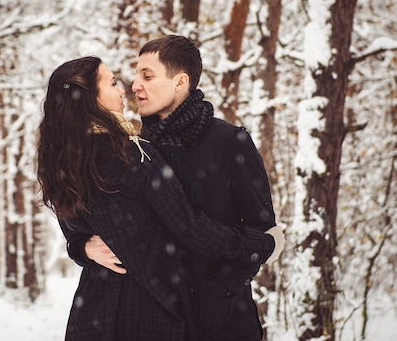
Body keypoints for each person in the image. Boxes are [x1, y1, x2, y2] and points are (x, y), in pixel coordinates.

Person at [37, 56, 283, 341]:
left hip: (93, 313)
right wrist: (264, 243)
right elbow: (191, 229)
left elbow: (76, 233)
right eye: (113, 83)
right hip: (148, 312)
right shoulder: (134, 155)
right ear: (90, 99)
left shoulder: (62, 162)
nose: (124, 90)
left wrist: (82, 248)